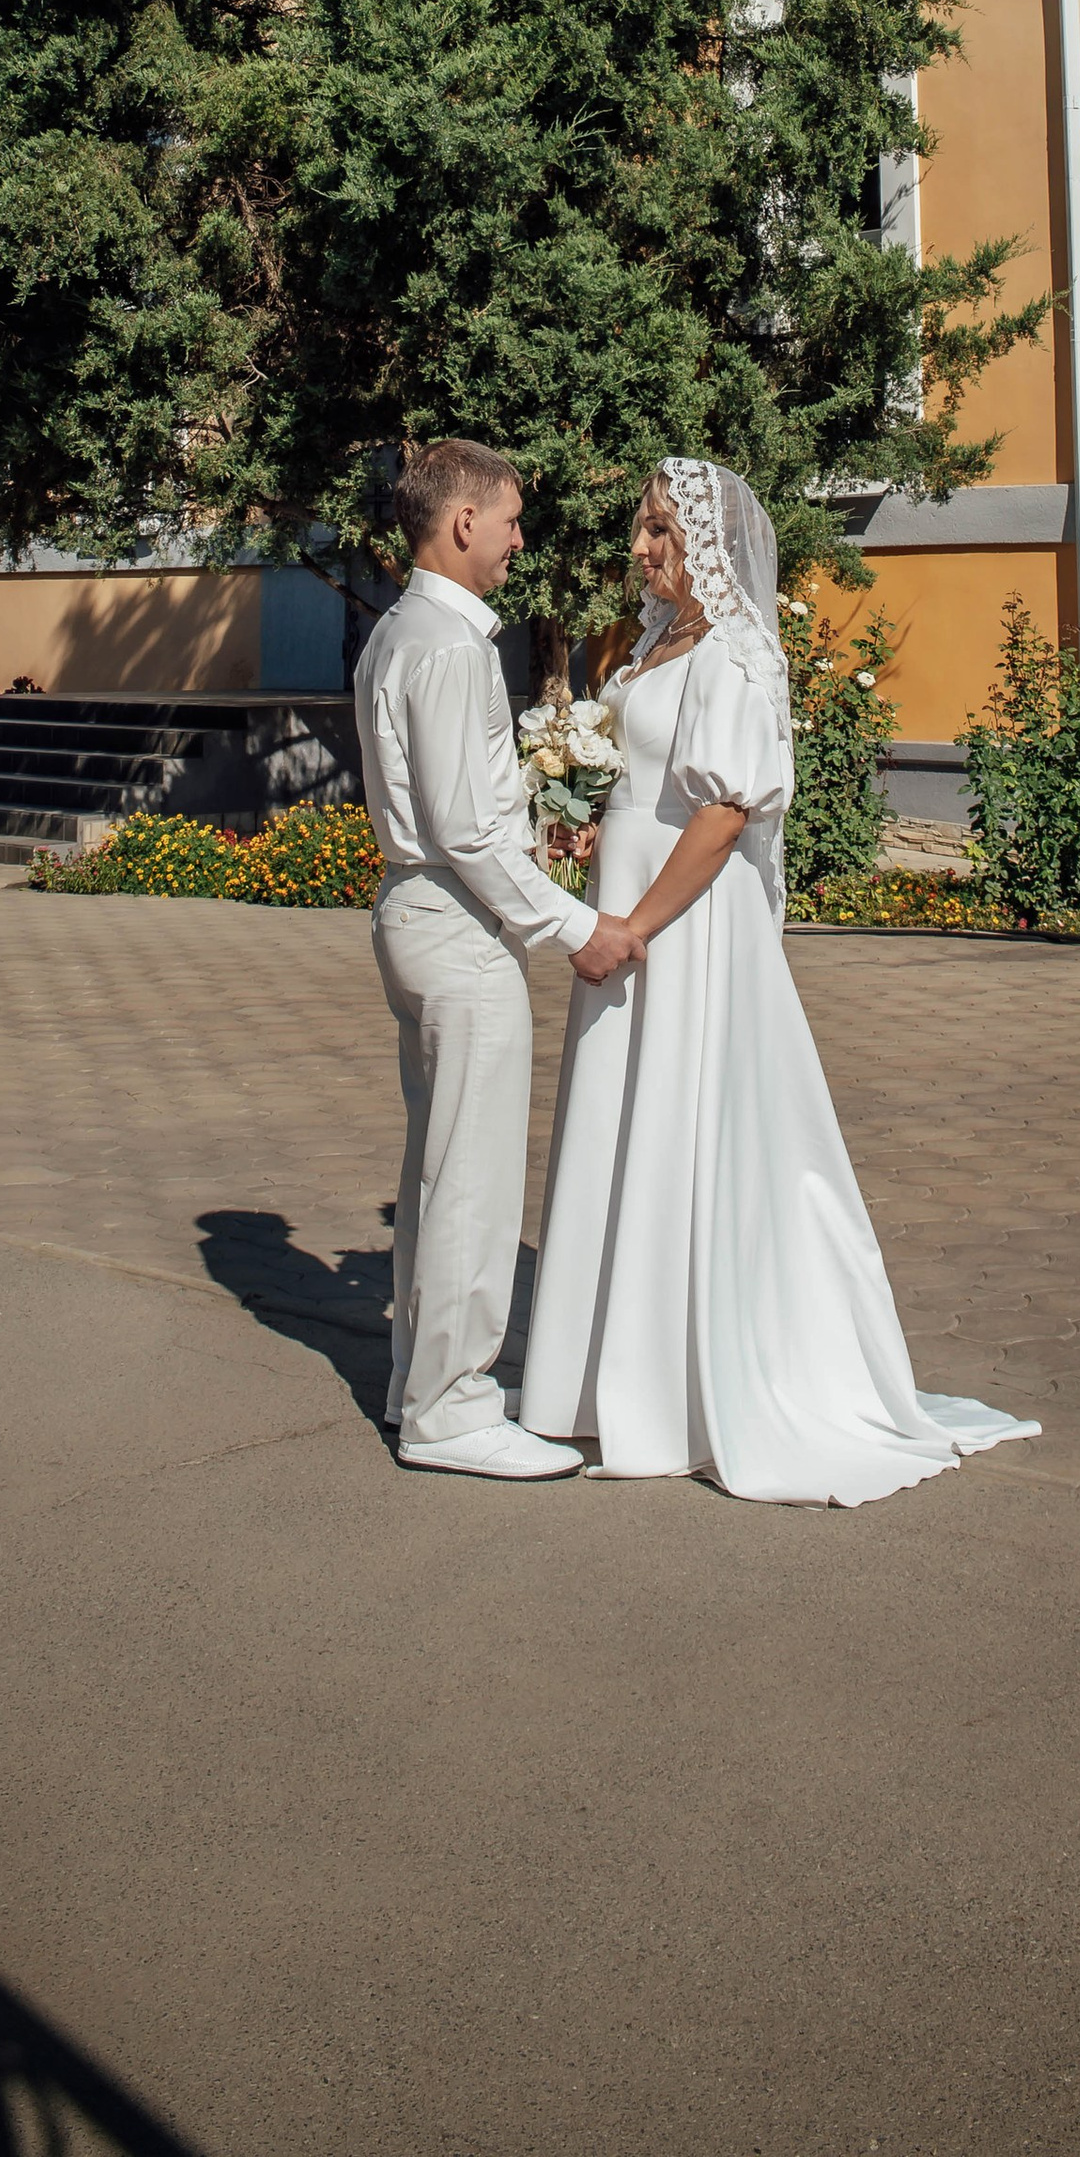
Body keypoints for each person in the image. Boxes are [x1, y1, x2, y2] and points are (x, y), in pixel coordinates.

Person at [519, 456, 1042, 1506]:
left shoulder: (738, 656)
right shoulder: (650, 650)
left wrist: (632, 926)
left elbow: (721, 816)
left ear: (707, 542)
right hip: (619, 919)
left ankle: (681, 1388)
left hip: (683, 932)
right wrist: (585, 819)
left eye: (661, 531)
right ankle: (600, 1377)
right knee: (620, 1128)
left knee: (682, 1126)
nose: (642, 549)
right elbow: (647, 785)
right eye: (641, 529)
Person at [355, 437, 643, 1478]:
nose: (522, 539)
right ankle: (450, 1409)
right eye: (512, 519)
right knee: (469, 1174)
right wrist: (575, 927)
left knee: (442, 1166)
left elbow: (470, 813)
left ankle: (423, 1386)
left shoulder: (412, 630)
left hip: (425, 911)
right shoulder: (445, 643)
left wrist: (533, 830)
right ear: (462, 520)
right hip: (453, 924)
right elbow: (466, 829)